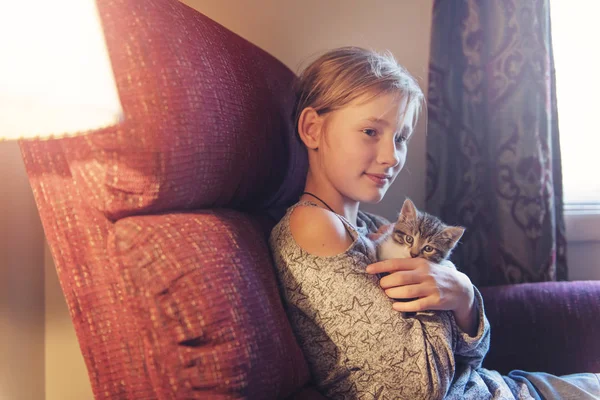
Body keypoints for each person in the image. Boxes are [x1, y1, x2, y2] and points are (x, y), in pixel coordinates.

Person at [268, 46, 600, 399]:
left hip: (506, 387)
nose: (392, 156)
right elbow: (416, 389)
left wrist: (464, 296)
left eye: (400, 138)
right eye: (370, 131)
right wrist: (450, 295)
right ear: (312, 129)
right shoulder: (316, 226)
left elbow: (474, 356)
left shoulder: (374, 226)